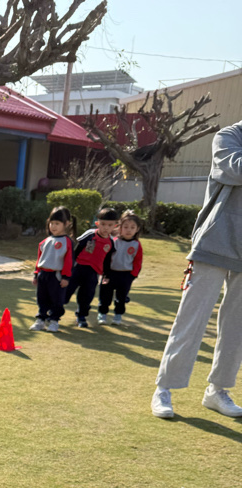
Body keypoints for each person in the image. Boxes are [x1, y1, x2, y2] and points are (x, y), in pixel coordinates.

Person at [152, 120, 242, 419]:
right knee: (191, 319)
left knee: (237, 326)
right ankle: (164, 388)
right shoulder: (228, 136)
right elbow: (235, 169)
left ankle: (218, 390)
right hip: (215, 241)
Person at [65, 206, 118, 327]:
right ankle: (53, 311)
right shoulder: (90, 235)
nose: (106, 228)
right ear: (97, 223)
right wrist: (70, 265)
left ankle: (81, 317)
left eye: (110, 225)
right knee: (66, 292)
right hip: (78, 268)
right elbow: (77, 250)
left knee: (87, 295)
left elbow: (107, 260)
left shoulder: (111, 242)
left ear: (115, 226)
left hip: (93, 273)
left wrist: (106, 275)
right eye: (103, 224)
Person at [31, 206, 75, 332]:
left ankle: (54, 321)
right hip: (43, 275)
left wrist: (66, 277)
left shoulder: (67, 242)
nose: (53, 226)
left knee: (56, 299)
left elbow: (69, 261)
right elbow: (39, 259)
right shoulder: (45, 241)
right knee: (42, 298)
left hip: (57, 276)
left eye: (57, 223)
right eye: (52, 223)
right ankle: (41, 320)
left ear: (66, 224)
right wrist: (36, 274)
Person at [98, 211, 144, 325]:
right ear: (120, 227)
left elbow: (138, 262)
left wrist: (132, 275)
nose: (129, 230)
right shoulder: (113, 241)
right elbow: (105, 257)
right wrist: (104, 272)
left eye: (132, 227)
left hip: (125, 275)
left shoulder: (136, 245)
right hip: (109, 274)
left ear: (137, 229)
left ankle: (117, 316)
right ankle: (102, 314)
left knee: (121, 297)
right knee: (105, 295)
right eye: (126, 227)